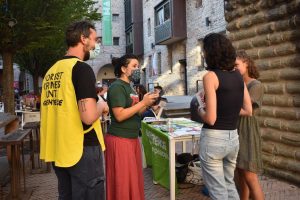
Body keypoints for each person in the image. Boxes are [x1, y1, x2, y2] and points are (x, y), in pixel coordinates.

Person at [40, 21, 108, 200]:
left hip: (59, 149)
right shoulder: (81, 69)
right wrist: (101, 105)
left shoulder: (51, 72)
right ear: (83, 39)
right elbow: (87, 117)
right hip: (82, 149)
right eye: (94, 40)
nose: (95, 45)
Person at [197, 33, 252, 200]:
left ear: (210, 52)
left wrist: (200, 109)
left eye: (204, 50)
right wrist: (228, 111)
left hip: (214, 138)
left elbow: (211, 118)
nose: (203, 54)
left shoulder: (210, 77)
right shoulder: (237, 74)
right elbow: (248, 110)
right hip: (232, 138)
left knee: (218, 191)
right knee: (229, 184)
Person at [105, 54, 158, 200]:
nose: (137, 69)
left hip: (131, 138)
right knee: (122, 182)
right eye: (134, 66)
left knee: (132, 179)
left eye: (138, 66)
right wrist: (142, 103)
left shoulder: (129, 87)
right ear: (123, 68)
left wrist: (148, 103)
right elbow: (120, 115)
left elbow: (135, 112)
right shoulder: (116, 87)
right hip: (120, 140)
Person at [235, 50, 264, 200]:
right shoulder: (238, 83)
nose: (234, 68)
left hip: (247, 131)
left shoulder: (256, 85)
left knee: (250, 176)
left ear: (246, 63)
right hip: (236, 130)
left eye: (237, 65)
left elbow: (248, 110)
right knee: (240, 174)